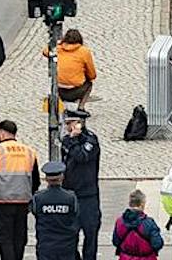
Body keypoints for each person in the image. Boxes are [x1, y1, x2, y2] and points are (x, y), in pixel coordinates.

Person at [0, 120, 39, 260]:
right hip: (22, 202)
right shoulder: (29, 151)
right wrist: (29, 194)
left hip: (2, 202)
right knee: (19, 239)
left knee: (4, 239)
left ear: (2, 132)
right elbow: (36, 180)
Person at [59, 108, 102, 260]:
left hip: (88, 195)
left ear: (79, 124)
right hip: (71, 193)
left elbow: (82, 157)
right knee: (70, 235)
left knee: (91, 233)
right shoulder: (66, 140)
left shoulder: (90, 140)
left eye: (70, 123)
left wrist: (74, 140)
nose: (67, 127)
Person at [32, 159, 80, 260]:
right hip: (66, 246)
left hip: (46, 246)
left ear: (46, 179)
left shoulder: (38, 198)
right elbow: (75, 216)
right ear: (62, 177)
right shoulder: (70, 197)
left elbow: (35, 213)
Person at [110, 190, 164, 259]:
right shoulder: (149, 223)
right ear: (142, 204)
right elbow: (157, 244)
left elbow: (115, 241)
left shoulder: (119, 222)